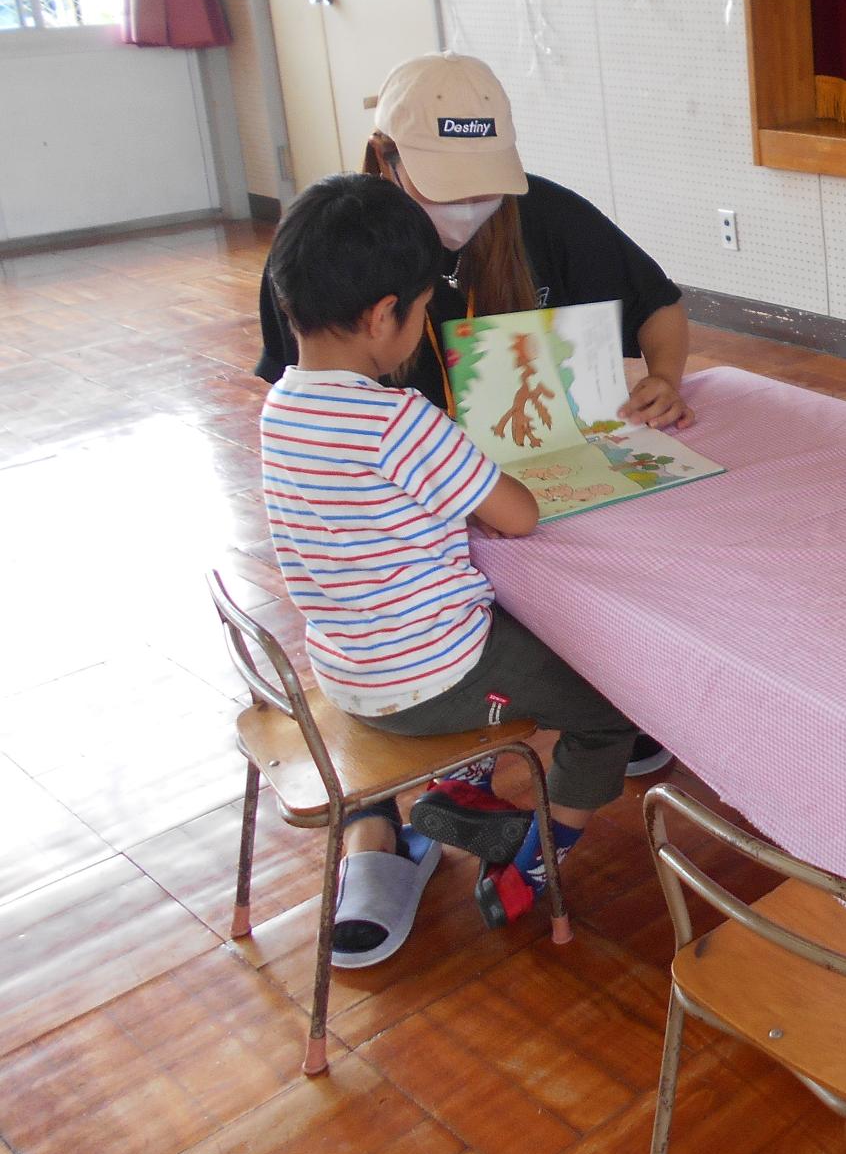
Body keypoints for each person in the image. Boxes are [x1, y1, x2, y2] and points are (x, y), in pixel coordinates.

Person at [254, 52, 677, 778]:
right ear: (385, 158)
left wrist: (663, 376)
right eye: (447, 187)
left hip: (353, 648)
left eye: (486, 186)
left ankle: (432, 790)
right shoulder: (341, 270)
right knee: (589, 679)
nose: (469, 206)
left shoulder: (293, 392)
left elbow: (658, 303)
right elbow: (517, 515)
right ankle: (461, 800)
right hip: (439, 606)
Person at [260, 173, 639, 963]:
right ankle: (537, 859)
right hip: (430, 673)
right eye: (423, 310)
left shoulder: (281, 409)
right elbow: (518, 514)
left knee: (523, 639)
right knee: (611, 705)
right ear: (382, 317)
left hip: (342, 667)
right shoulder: (398, 420)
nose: (422, 327)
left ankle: (462, 789)